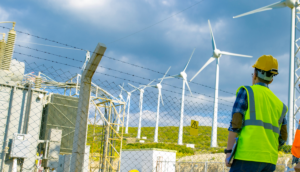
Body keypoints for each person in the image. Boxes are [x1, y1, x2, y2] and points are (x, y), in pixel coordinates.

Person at [225, 55, 288, 172]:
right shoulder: (281, 105)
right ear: (271, 79)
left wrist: (229, 152)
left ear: (255, 74)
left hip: (247, 157)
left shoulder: (247, 92)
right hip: (269, 160)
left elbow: (235, 124)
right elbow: (283, 138)